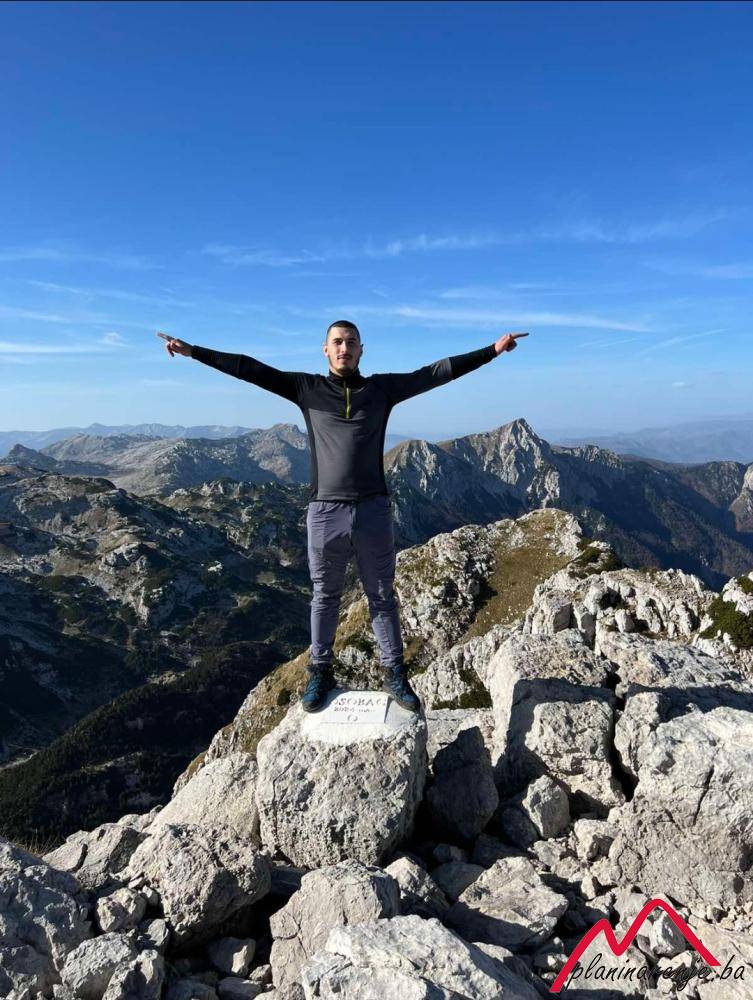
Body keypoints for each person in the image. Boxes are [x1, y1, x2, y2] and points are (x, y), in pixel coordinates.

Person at [157, 322, 528, 714]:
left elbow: (435, 373)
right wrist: (193, 351)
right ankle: (320, 672)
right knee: (325, 596)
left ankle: (395, 673)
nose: (344, 348)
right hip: (324, 511)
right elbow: (248, 369)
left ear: (361, 350)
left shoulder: (381, 390)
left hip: (373, 509)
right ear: (325, 349)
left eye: (351, 342)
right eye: (337, 342)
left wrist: (492, 351)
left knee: (381, 596)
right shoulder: (306, 389)